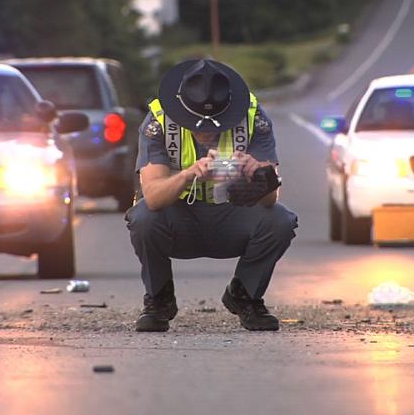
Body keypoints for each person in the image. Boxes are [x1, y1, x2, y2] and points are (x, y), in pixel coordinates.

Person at [125, 59, 298, 332]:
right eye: (196, 124)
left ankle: (245, 295)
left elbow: (269, 202)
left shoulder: (254, 116)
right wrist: (188, 174)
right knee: (143, 217)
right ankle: (159, 299)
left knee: (281, 220)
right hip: (179, 217)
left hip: (232, 215)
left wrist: (259, 176)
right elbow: (154, 197)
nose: (206, 132)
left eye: (215, 124)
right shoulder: (158, 121)